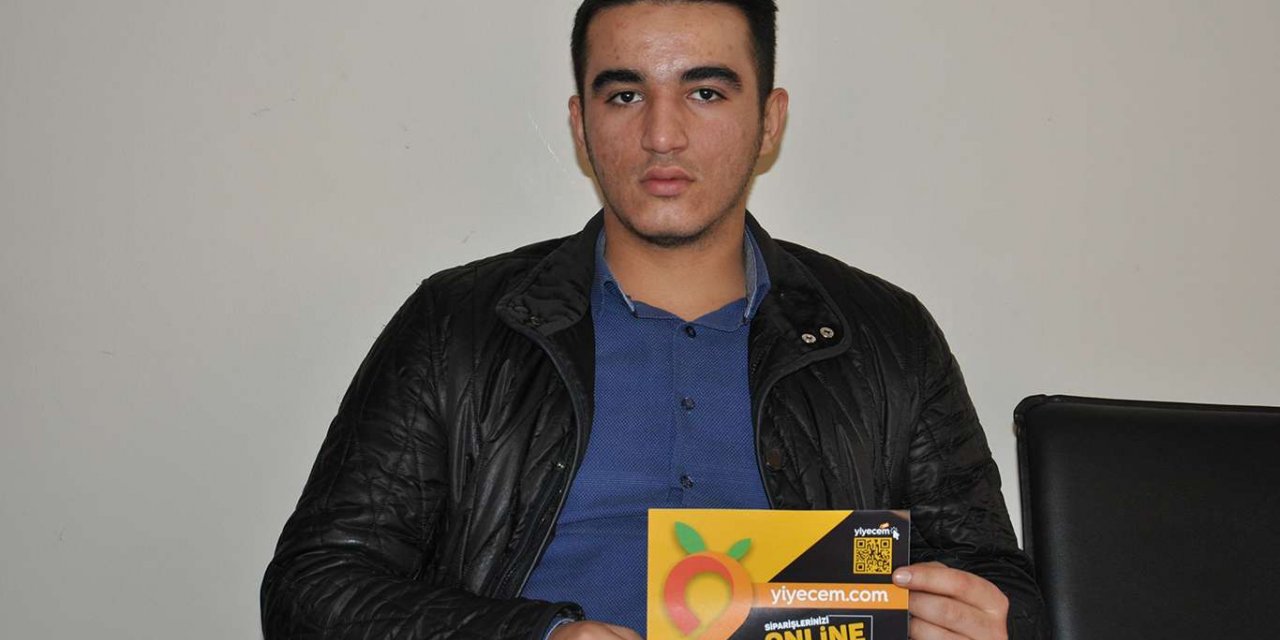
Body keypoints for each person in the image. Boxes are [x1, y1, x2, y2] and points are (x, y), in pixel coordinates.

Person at [261, 1, 1046, 639]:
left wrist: (983, 621)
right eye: (625, 95)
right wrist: (536, 636)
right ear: (581, 125)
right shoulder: (458, 325)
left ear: (769, 122)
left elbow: (1001, 583)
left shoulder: (884, 335)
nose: (662, 135)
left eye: (706, 93)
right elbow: (314, 588)